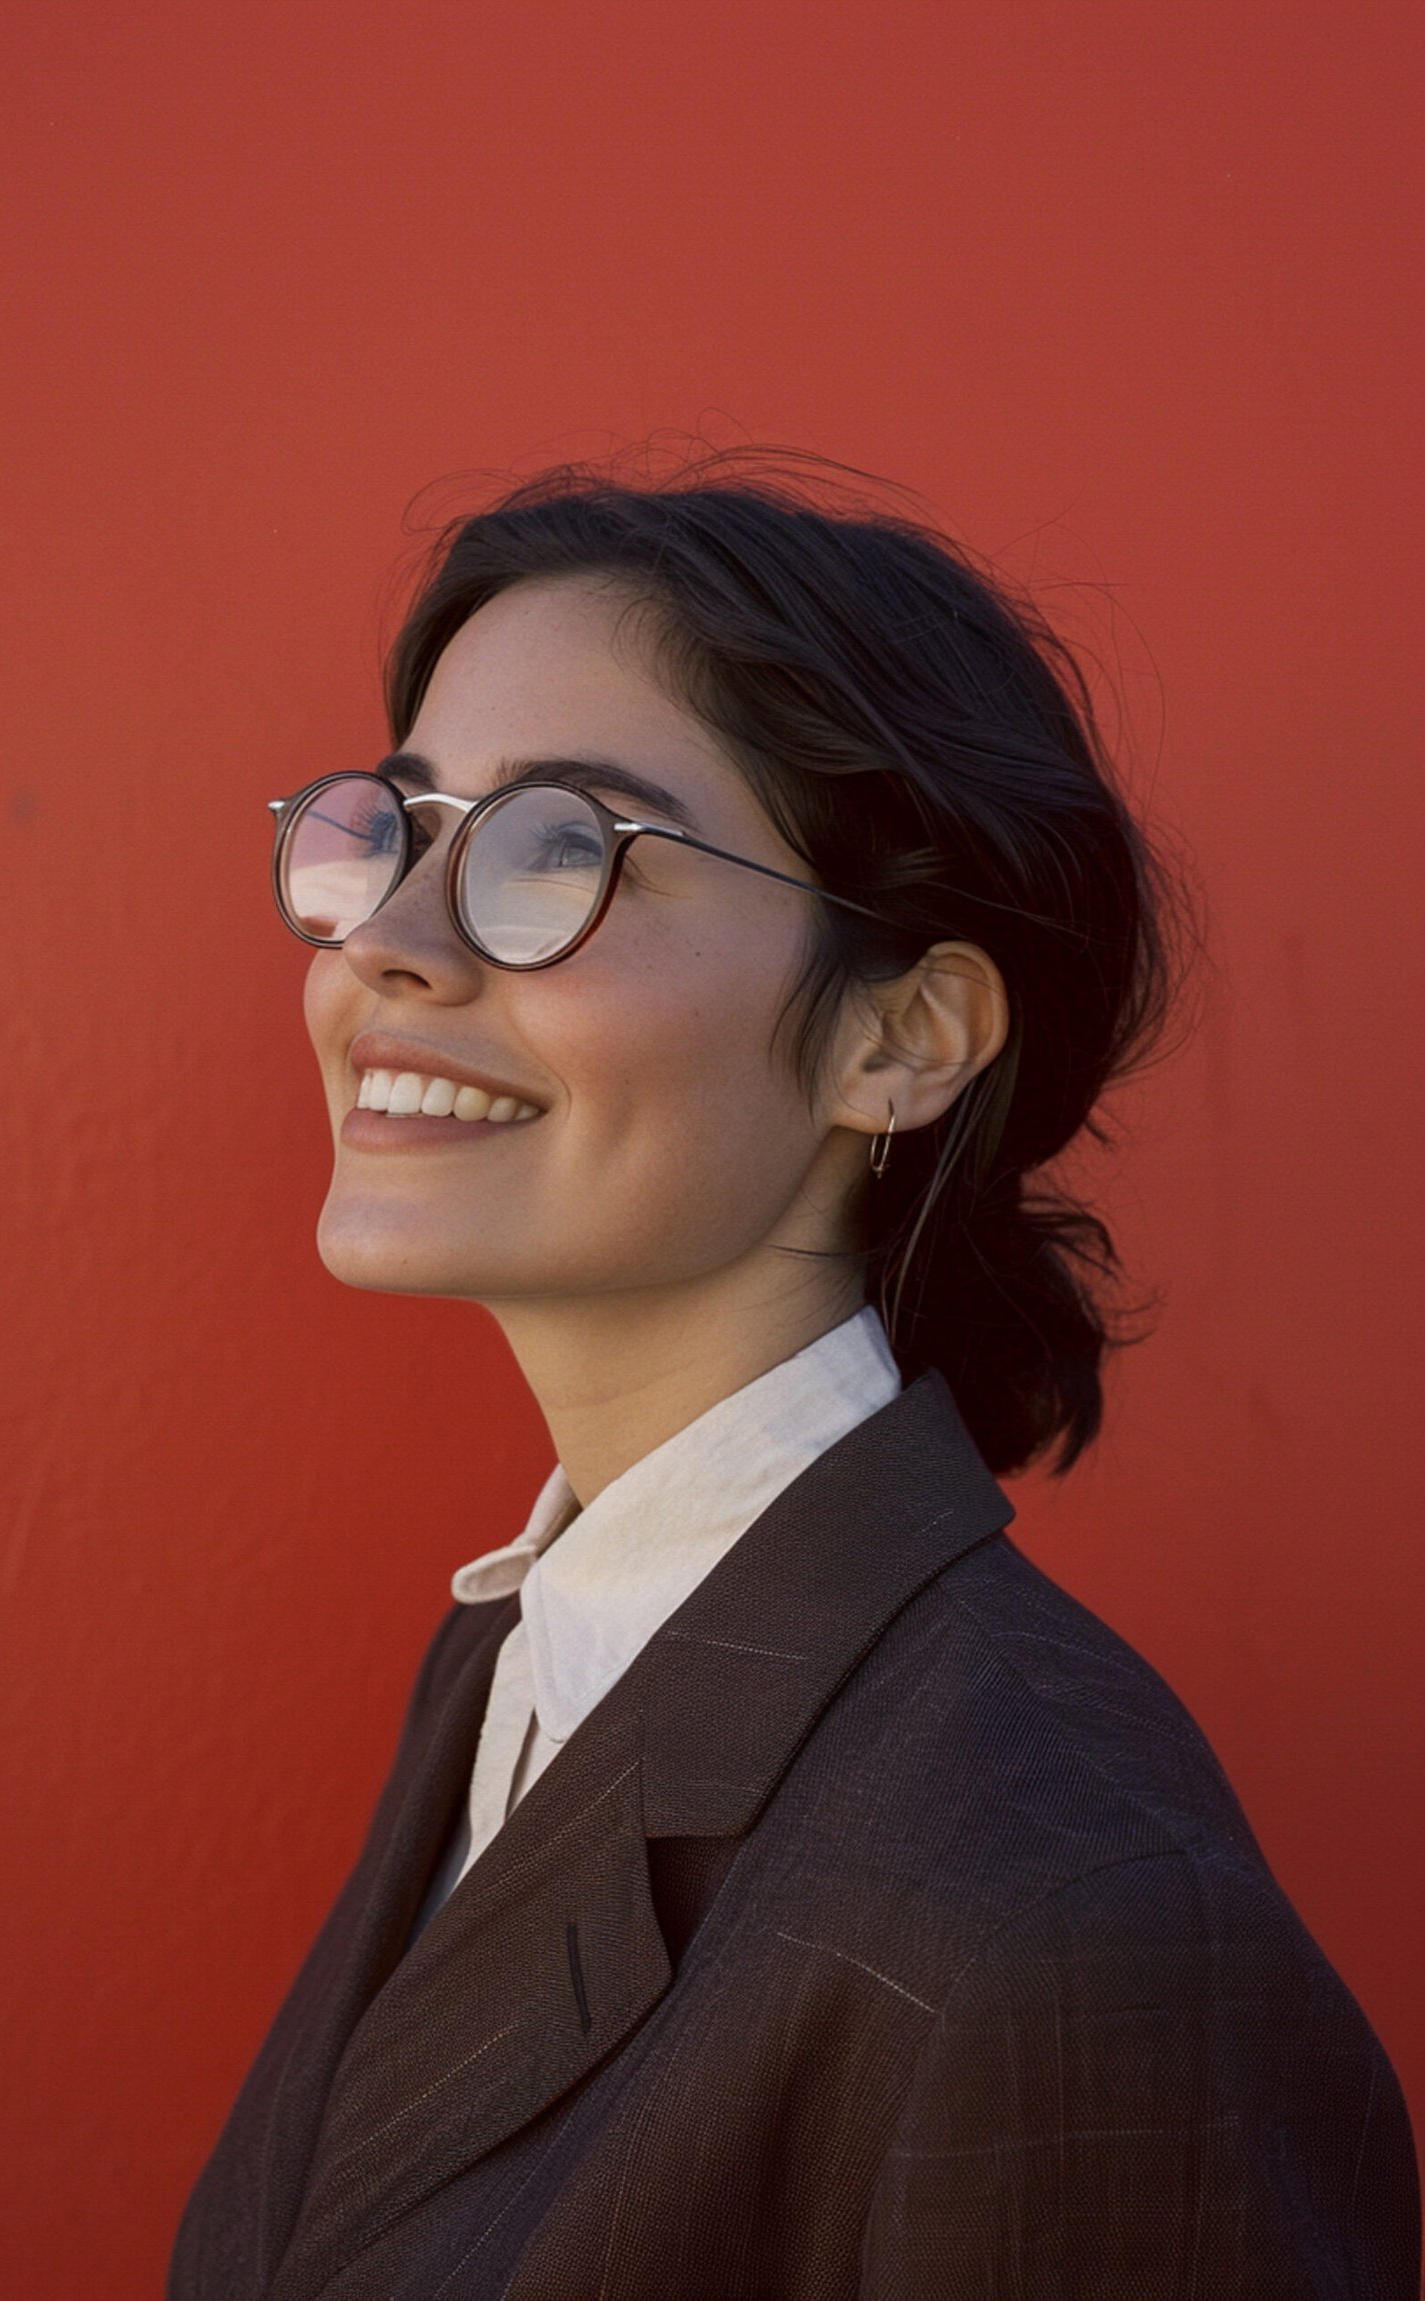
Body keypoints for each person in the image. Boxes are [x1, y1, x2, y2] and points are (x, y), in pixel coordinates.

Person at [169, 454, 1419, 2299]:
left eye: (556, 853)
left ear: (902, 1038)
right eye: (400, 827)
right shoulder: (526, 1663)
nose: (391, 947)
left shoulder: (1071, 1917)